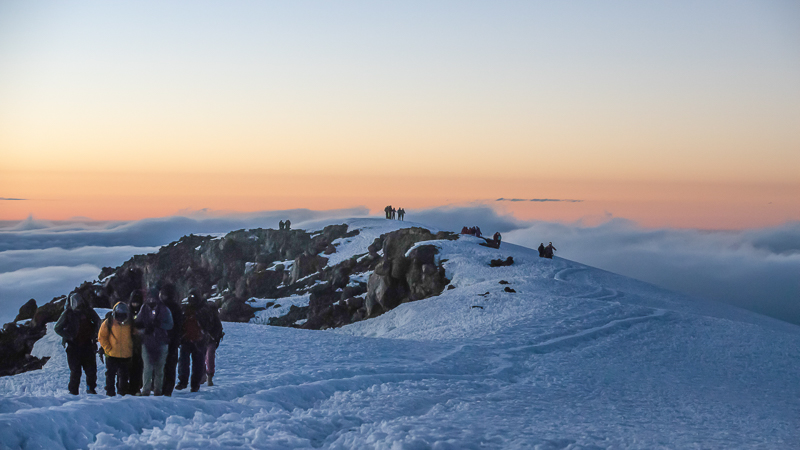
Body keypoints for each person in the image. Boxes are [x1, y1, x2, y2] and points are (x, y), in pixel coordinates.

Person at [54, 292, 101, 395]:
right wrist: (70, 336)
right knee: (76, 371)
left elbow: (98, 322)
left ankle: (89, 389)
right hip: (74, 346)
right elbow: (57, 328)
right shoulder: (68, 313)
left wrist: (95, 335)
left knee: (90, 371)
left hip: (87, 345)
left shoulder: (87, 311)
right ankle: (74, 392)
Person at [135, 288, 173, 396]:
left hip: (161, 342)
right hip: (147, 342)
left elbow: (170, 325)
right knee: (147, 367)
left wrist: (159, 324)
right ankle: (146, 390)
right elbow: (137, 322)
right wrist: (144, 329)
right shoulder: (144, 308)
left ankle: (158, 390)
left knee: (159, 368)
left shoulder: (165, 309)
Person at [176, 290, 214, 392]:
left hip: (198, 340)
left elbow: (209, 324)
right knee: (184, 363)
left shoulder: (203, 310)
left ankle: (194, 384)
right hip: (187, 339)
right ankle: (184, 382)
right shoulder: (186, 309)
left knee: (197, 364)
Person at [98, 302, 133, 396]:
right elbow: (102, 337)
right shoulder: (108, 322)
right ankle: (110, 393)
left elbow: (136, 336)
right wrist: (108, 348)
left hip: (126, 354)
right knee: (110, 375)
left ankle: (122, 392)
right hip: (112, 354)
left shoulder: (130, 322)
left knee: (124, 375)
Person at [159, 283, 183, 397]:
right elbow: (180, 326)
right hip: (173, 341)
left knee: (160, 365)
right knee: (170, 366)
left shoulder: (160, 306)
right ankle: (167, 390)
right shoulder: (177, 308)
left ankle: (159, 388)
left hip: (160, 341)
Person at [201, 300, 224, 386]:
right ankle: (206, 376)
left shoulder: (212, 317)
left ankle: (207, 376)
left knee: (206, 358)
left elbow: (218, 328)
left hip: (209, 340)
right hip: (206, 340)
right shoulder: (212, 317)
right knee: (206, 358)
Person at [126, 290, 144, 395]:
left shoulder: (144, 312)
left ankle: (136, 387)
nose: (135, 305)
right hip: (129, 344)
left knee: (138, 367)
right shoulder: (127, 312)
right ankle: (130, 387)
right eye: (134, 302)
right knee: (129, 367)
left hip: (140, 345)